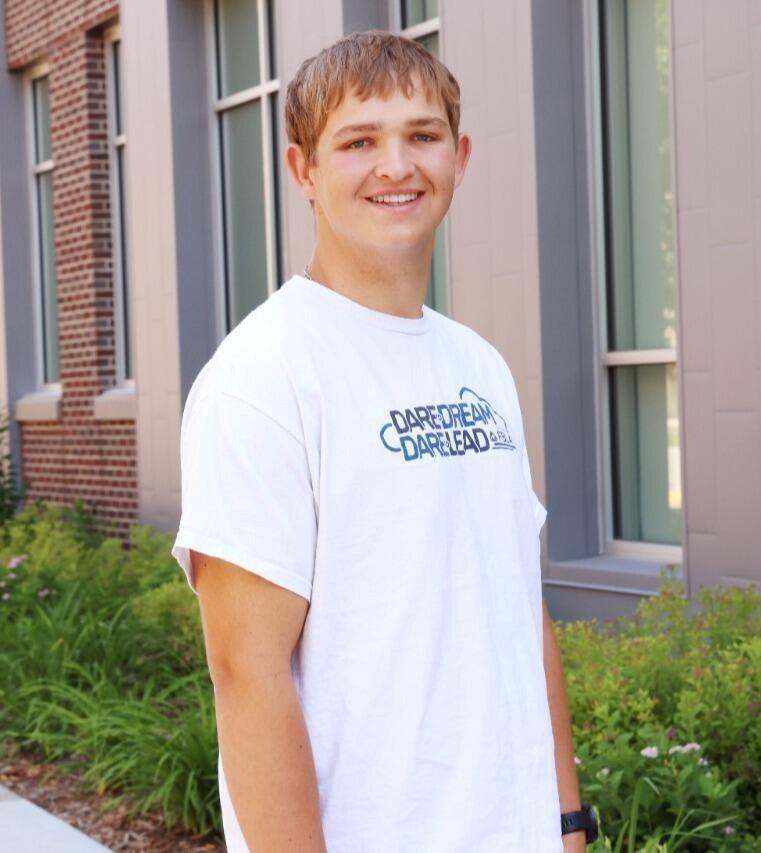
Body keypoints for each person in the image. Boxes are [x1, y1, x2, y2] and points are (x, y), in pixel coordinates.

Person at [171, 29, 594, 852]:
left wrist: (566, 817)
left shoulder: (478, 364)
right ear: (302, 169)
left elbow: (517, 604)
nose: (395, 166)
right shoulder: (262, 377)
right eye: (358, 141)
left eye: (421, 136)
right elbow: (247, 675)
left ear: (459, 157)